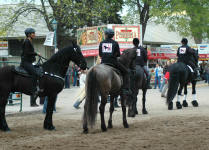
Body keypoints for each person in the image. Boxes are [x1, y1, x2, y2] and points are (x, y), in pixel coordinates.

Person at [99, 28, 131, 95]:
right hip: (113, 62)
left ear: (106, 35)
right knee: (126, 72)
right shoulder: (115, 43)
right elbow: (118, 55)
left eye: (105, 34)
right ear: (112, 35)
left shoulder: (101, 43)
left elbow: (100, 54)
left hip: (103, 63)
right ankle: (125, 89)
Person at [21, 28, 43, 107]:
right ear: (29, 34)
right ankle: (33, 87)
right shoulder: (27, 41)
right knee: (34, 73)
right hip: (25, 63)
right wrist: (36, 53)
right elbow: (27, 53)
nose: (34, 34)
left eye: (34, 33)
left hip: (29, 62)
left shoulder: (29, 41)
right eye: (33, 33)